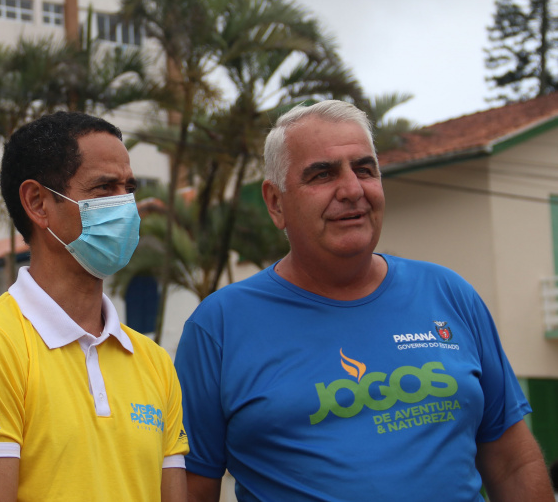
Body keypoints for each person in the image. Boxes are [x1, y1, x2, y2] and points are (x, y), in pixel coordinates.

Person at [175, 100, 552, 502]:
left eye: (365, 169)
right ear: (275, 202)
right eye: (322, 174)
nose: (352, 190)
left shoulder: (449, 294)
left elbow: (513, 464)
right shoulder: (218, 328)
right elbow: (193, 489)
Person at [0, 112, 189, 502]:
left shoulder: (153, 362)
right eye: (104, 188)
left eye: (128, 188)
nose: (126, 207)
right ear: (38, 203)